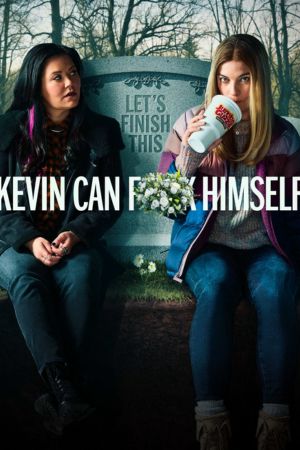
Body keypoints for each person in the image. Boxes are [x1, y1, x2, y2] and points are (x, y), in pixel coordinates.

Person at [158, 34, 300, 450]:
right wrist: (189, 155)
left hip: (265, 247)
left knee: (275, 290)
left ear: (261, 83)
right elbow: (166, 203)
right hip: (209, 246)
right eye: (224, 80)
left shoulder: (284, 137)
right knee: (216, 287)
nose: (232, 92)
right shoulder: (190, 123)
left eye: (244, 80)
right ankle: (211, 420)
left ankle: (276, 420)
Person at [0, 43, 124, 435]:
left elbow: (112, 199)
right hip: (19, 243)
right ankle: (66, 389)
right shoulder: (7, 132)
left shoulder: (102, 131)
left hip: (76, 243)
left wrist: (76, 233)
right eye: (58, 76)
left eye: (73, 73)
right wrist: (30, 239)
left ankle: (59, 395)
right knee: (22, 274)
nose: (71, 83)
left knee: (82, 275)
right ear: (37, 83)